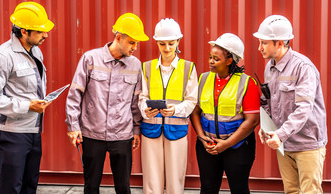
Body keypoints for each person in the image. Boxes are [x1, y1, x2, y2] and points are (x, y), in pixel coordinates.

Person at [65, 13, 149, 194]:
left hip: (122, 135)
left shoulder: (135, 65)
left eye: (137, 43)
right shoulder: (91, 59)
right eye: (132, 42)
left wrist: (136, 131)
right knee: (91, 186)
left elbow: (136, 102)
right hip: (92, 133)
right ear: (118, 38)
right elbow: (75, 94)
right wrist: (73, 125)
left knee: (123, 187)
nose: (135, 47)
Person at [0, 1, 55, 193]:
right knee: (11, 188)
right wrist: (28, 105)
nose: (46, 35)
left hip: (33, 130)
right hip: (11, 133)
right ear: (23, 31)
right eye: (40, 31)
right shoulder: (3, 56)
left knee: (30, 186)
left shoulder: (35, 51)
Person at [253, 15, 327, 194]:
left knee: (310, 191)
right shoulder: (269, 67)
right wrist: (266, 126)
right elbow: (269, 101)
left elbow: (304, 108)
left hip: (307, 144)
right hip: (285, 144)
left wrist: (280, 134)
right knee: (291, 191)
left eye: (264, 43)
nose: (259, 47)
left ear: (279, 43)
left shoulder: (303, 68)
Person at [190, 33, 260, 194]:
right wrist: (202, 138)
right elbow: (195, 112)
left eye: (216, 58)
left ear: (230, 60)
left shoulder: (246, 83)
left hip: (238, 146)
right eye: (210, 57)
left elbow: (253, 121)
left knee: (239, 189)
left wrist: (226, 144)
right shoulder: (203, 79)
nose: (211, 61)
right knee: (207, 189)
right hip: (207, 145)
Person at [138, 18, 198, 194]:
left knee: (175, 183)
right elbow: (142, 97)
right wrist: (145, 110)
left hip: (177, 131)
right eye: (162, 44)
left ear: (178, 41)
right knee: (151, 182)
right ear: (156, 42)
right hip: (151, 130)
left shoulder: (188, 68)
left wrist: (175, 110)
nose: (167, 48)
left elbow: (192, 100)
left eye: (171, 43)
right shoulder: (147, 67)